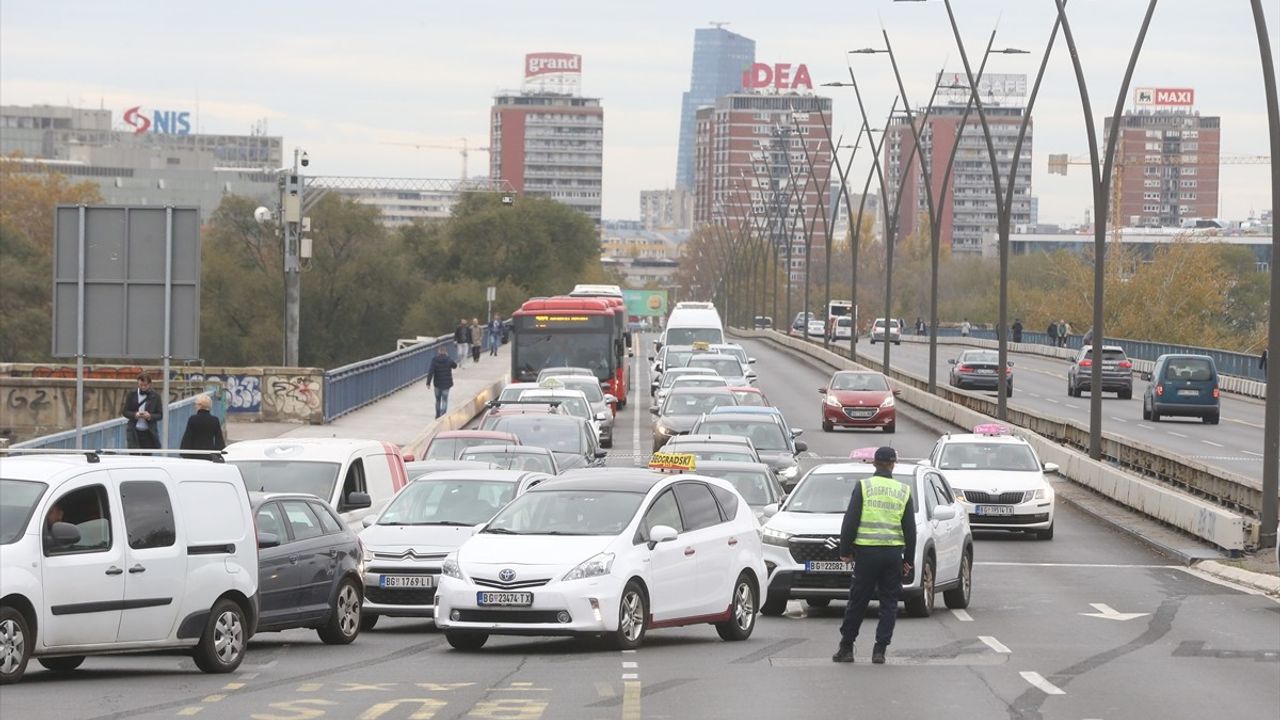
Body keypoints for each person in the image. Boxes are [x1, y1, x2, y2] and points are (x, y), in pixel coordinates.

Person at [833, 446, 916, 665]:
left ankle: (847, 647)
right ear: (893, 464)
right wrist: (908, 560)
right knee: (889, 602)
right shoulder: (903, 490)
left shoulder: (864, 487)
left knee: (858, 600)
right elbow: (910, 529)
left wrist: (845, 551)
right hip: (892, 554)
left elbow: (850, 521)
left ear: (874, 463)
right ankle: (880, 650)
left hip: (867, 553)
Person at [122, 371, 163, 449]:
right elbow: (125, 412)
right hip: (134, 431)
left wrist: (149, 416)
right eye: (141, 385)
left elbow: (160, 415)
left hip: (149, 432)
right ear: (138, 383)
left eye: (145, 385)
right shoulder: (131, 394)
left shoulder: (155, 396)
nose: (143, 387)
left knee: (147, 457)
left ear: (150, 384)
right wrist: (135, 415)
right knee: (134, 457)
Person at [180, 393, 225, 460]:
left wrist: (184, 454)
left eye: (196, 404)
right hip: (210, 454)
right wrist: (218, 454)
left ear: (200, 405)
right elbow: (219, 439)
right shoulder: (215, 420)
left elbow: (187, 438)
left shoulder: (193, 419)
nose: (195, 406)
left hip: (194, 455)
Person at [426, 346, 458, 418]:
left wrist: (428, 382)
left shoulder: (434, 360)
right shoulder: (448, 359)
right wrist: (448, 357)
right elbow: (455, 366)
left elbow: (431, 371)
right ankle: (443, 416)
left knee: (438, 400)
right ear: (445, 352)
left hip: (437, 384)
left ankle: (437, 415)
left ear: (438, 351)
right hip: (446, 384)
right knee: (445, 400)